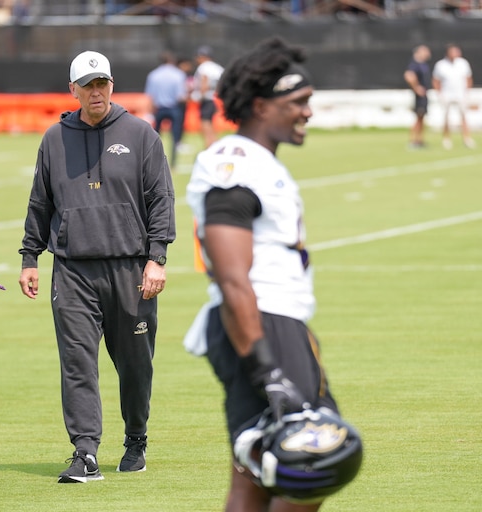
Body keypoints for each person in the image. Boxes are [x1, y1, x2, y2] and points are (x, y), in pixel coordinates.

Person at [186, 38, 347, 511]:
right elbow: (231, 275)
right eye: (297, 103)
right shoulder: (234, 163)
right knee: (315, 462)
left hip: (275, 321)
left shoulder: (258, 162)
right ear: (260, 105)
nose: (307, 112)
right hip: (262, 323)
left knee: (256, 472)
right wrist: (267, 368)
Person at [18, 50, 176, 483]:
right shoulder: (53, 139)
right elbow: (40, 202)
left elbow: (161, 199)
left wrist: (157, 257)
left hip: (131, 270)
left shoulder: (141, 134)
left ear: (111, 85)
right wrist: (31, 257)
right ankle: (85, 452)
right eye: (87, 85)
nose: (96, 91)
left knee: (135, 364)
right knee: (77, 362)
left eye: (102, 83)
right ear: (73, 90)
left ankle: (136, 439)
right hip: (71, 271)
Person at [144, 51, 187, 169]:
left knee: (154, 137)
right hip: (174, 108)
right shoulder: (178, 74)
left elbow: (150, 96)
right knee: (175, 136)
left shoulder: (153, 75)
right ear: (171, 61)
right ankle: (173, 164)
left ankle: (153, 162)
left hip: (159, 109)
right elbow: (180, 96)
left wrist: (151, 111)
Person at [432, 43, 475, 149]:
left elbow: (468, 78)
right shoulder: (440, 64)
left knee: (463, 116)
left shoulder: (463, 63)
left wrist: (467, 91)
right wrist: (439, 93)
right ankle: (447, 139)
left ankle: (467, 138)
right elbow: (436, 80)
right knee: (446, 117)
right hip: (446, 94)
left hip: (461, 93)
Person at [192, 45, 224, 149]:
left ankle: (210, 145)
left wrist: (199, 96)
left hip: (208, 98)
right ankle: (215, 144)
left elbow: (204, 82)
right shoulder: (217, 67)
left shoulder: (204, 67)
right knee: (209, 123)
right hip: (216, 98)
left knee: (205, 123)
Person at [403, 44, 432, 149]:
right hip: (419, 95)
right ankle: (413, 140)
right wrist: (417, 88)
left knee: (422, 117)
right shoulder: (414, 64)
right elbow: (409, 75)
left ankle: (419, 140)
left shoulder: (423, 64)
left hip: (425, 94)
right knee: (418, 117)